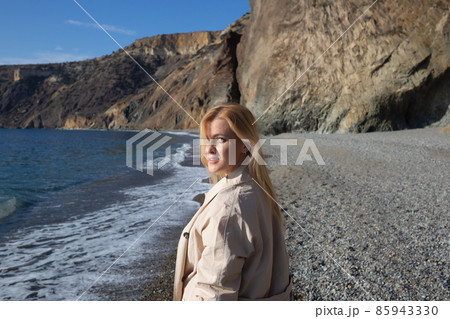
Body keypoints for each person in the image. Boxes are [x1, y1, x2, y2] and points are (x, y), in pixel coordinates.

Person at [173, 103, 292, 301]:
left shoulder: (229, 208)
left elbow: (214, 294)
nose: (209, 149)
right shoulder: (256, 187)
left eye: (220, 139)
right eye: (208, 139)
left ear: (245, 145)